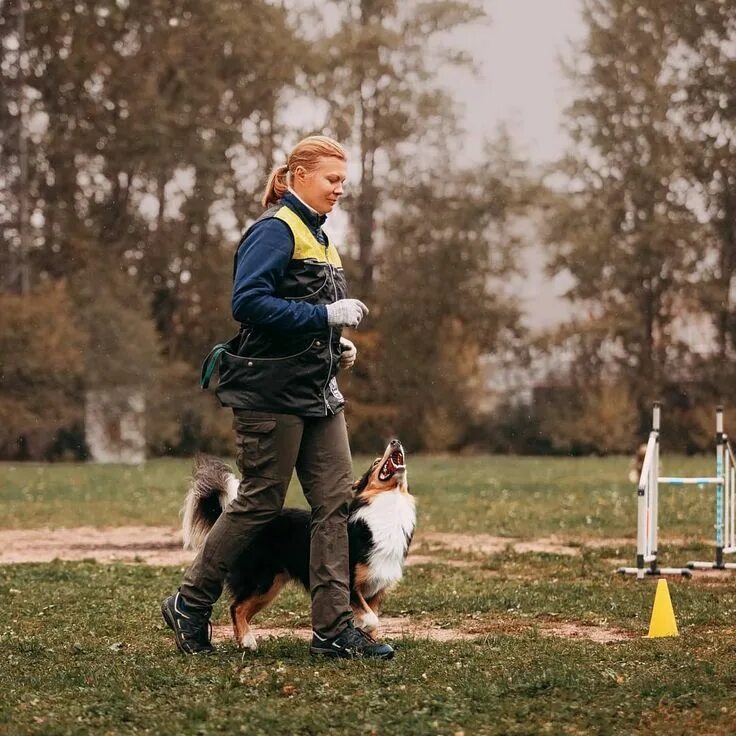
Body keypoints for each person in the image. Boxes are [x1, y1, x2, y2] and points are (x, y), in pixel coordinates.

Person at [161, 135, 393, 659]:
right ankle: (190, 601)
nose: (340, 189)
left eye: (343, 181)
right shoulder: (274, 230)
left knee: (334, 505)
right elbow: (249, 304)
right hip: (271, 394)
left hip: (318, 393)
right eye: (332, 179)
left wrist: (336, 345)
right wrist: (324, 317)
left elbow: (301, 311)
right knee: (261, 501)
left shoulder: (321, 237)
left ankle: (333, 630)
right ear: (299, 175)